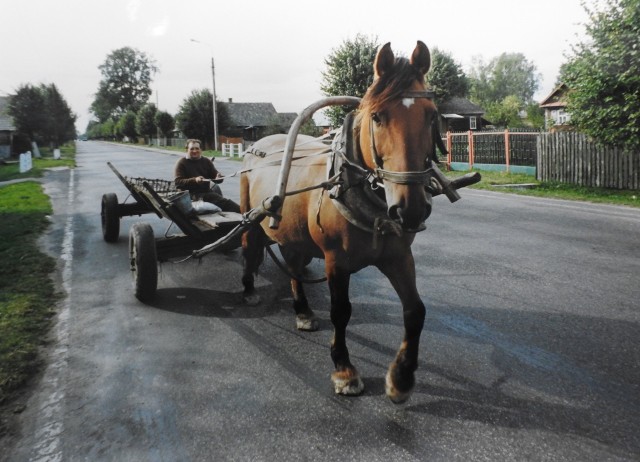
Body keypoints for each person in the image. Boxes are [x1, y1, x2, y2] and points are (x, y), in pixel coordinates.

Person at [174, 139, 241, 213]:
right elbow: (178, 182)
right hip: (189, 195)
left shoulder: (206, 161)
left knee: (219, 198)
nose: (195, 151)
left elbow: (215, 176)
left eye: (197, 148)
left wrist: (219, 177)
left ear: (201, 150)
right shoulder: (181, 163)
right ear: (187, 150)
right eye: (192, 149)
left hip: (205, 193)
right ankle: (243, 214)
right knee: (225, 202)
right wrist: (195, 180)